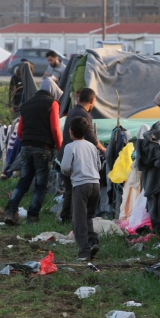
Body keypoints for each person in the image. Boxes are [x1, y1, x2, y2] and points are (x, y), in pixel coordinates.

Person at [2, 89, 63, 225]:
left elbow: (19, 131)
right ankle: (33, 216)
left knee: (24, 180)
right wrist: (59, 147)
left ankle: (10, 211)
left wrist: (26, 142)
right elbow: (55, 128)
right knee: (40, 185)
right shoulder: (52, 103)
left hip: (25, 146)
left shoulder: (26, 105)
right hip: (43, 148)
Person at [56, 88, 106, 224]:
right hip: (74, 159)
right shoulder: (83, 114)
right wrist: (102, 149)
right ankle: (71, 219)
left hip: (66, 155)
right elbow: (89, 134)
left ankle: (66, 217)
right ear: (92, 100)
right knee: (73, 191)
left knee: (69, 191)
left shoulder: (73, 111)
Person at [60, 116, 102, 261]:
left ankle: (84, 251)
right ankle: (92, 241)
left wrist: (71, 173)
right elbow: (99, 166)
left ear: (70, 131)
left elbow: (65, 167)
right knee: (89, 216)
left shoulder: (70, 147)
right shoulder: (91, 146)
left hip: (80, 185)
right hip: (95, 184)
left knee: (78, 219)